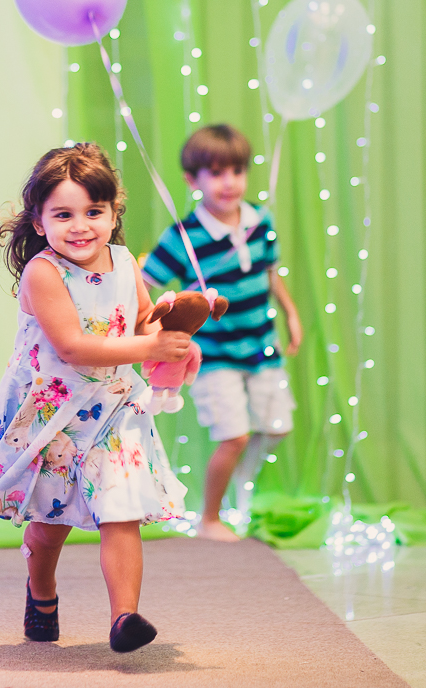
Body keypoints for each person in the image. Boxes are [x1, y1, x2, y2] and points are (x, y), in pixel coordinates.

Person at [0, 143, 189, 652]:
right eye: (63, 214)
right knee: (49, 526)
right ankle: (41, 591)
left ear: (114, 214)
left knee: (121, 508)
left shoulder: (125, 261)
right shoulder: (43, 273)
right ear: (40, 223)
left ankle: (124, 618)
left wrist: (171, 324)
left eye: (94, 211)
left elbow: (139, 323)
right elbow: (73, 345)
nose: (81, 225)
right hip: (55, 410)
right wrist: (149, 343)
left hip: (114, 404)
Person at [142, 124, 302, 543]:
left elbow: (270, 272)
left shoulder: (259, 220)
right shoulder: (183, 237)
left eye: (236, 170)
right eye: (215, 173)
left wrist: (291, 314)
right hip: (214, 354)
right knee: (234, 436)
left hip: (262, 346)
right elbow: (145, 284)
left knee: (278, 426)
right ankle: (209, 518)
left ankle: (238, 492)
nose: (229, 182)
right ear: (192, 180)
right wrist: (154, 330)